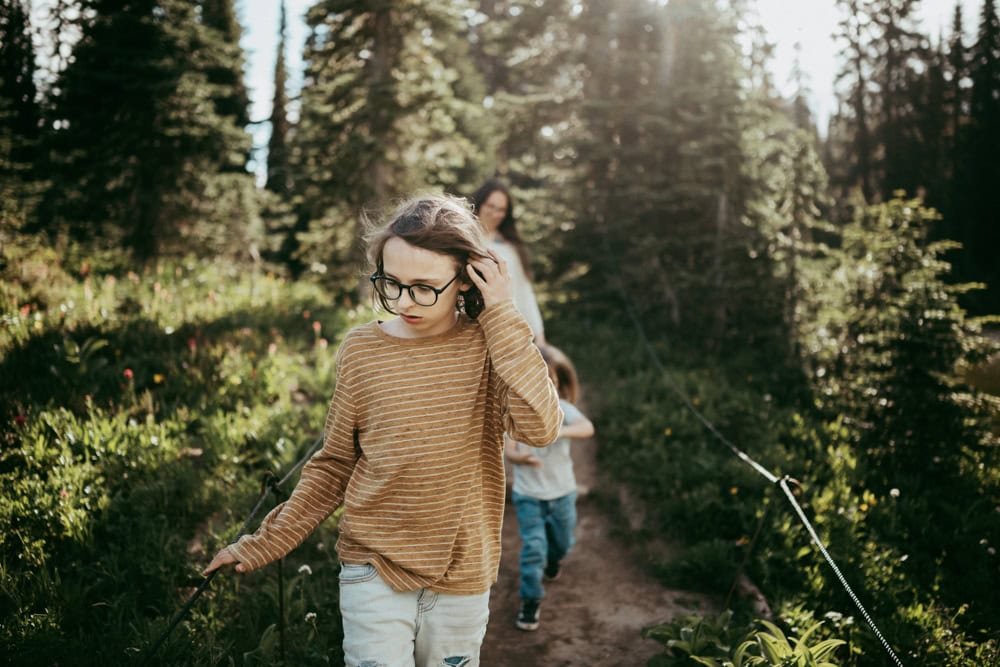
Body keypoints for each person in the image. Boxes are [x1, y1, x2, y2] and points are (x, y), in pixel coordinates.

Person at [202, 194, 562, 667]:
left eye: (424, 287)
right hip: (371, 563)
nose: (405, 301)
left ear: (467, 279)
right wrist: (265, 540)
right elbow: (334, 465)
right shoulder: (362, 350)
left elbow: (540, 428)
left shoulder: (490, 346)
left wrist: (501, 317)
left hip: (461, 571)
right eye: (391, 283)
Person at [505, 343, 594, 631]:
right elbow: (510, 451)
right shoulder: (516, 413)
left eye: (550, 381)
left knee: (563, 543)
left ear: (557, 383)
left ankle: (554, 559)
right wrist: (523, 458)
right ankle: (530, 601)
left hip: (563, 493)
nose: (544, 387)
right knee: (533, 548)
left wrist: (558, 432)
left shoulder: (562, 409)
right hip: (529, 495)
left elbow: (587, 428)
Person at [470, 179, 545, 343]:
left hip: (508, 331)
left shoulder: (510, 248)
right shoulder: (464, 240)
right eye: (490, 206)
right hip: (472, 330)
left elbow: (524, 293)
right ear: (479, 204)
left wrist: (539, 338)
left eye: (501, 209)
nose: (495, 213)